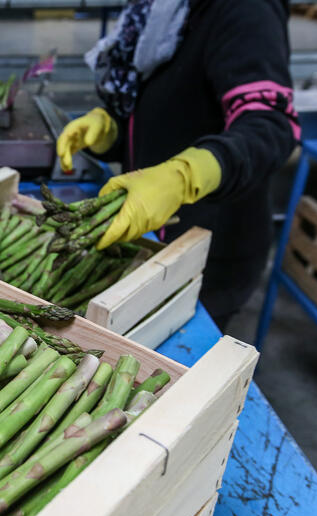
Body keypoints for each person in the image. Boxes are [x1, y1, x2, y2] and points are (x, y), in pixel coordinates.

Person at [56, 0, 299, 329]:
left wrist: (185, 176)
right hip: (152, 237)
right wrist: (112, 130)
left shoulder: (247, 8)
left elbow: (271, 126)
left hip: (210, 251)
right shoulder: (161, 9)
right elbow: (171, 105)